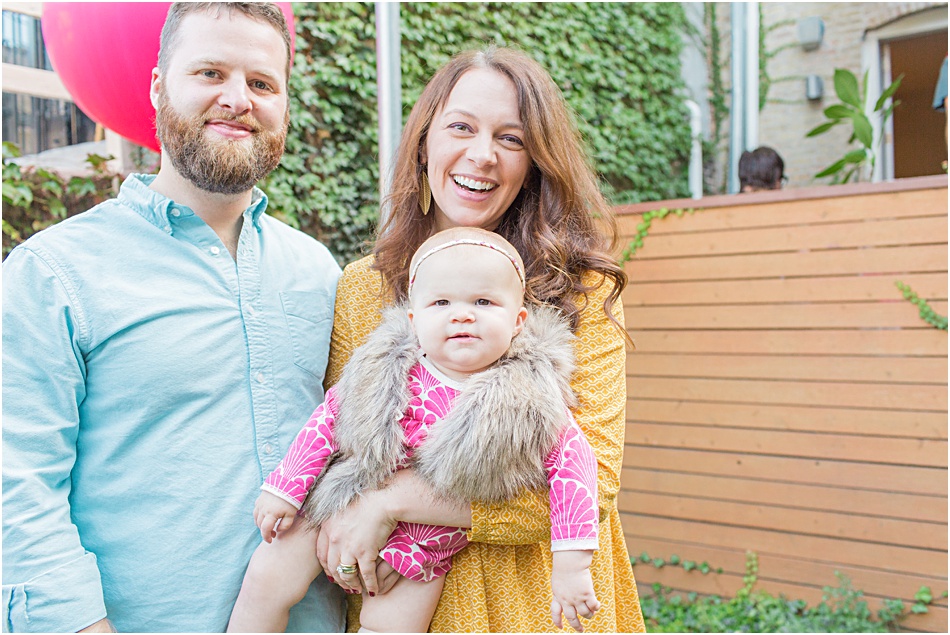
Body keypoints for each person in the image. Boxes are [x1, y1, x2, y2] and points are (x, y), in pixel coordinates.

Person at [2, 3, 345, 632]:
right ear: (159, 87)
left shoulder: (319, 272)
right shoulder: (53, 272)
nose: (238, 99)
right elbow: (16, 483)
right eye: (209, 73)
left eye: (263, 83)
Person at [314, 46, 645, 632]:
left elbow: (589, 487)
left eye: (511, 139)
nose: (482, 155)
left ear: (535, 163)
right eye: (461, 127)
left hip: (539, 608)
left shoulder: (579, 290)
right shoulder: (364, 288)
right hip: (403, 604)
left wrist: (391, 502)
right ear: (423, 144)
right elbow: (345, 451)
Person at [228, 227, 602, 633]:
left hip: (425, 545)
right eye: (441, 302)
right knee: (266, 579)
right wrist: (284, 488)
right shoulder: (387, 368)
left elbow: (574, 470)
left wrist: (572, 565)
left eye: (484, 301)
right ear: (414, 319)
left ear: (518, 321)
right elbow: (327, 419)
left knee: (390, 628)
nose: (462, 314)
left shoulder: (530, 397)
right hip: (343, 497)